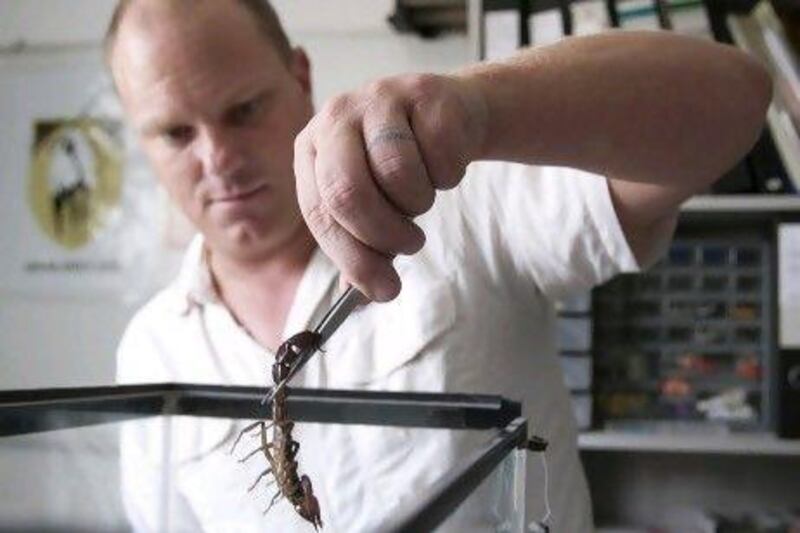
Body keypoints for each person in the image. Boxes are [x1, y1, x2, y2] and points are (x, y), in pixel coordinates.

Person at [106, 0, 771, 531]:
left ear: (300, 77)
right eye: (175, 132)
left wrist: (480, 108)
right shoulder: (150, 350)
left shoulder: (462, 202)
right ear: (141, 139)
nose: (218, 157)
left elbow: (737, 99)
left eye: (244, 109)